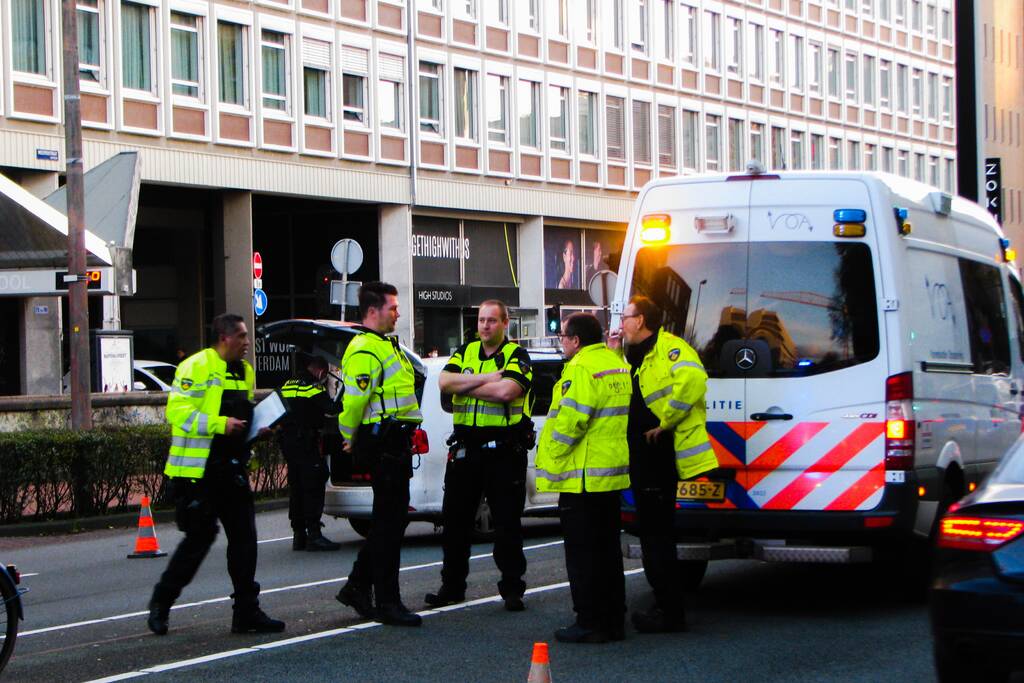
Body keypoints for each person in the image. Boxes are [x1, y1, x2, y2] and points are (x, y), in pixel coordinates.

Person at [147, 313, 284, 636]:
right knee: (198, 541)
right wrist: (220, 424)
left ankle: (246, 612)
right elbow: (177, 411)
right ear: (224, 338)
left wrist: (256, 430)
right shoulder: (196, 366)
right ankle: (161, 604)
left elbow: (241, 416)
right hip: (197, 473)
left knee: (245, 541)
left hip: (231, 469)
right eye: (242, 336)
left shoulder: (244, 371)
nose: (247, 342)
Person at [615, 296, 718, 633]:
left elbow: (694, 380)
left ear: (641, 319)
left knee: (657, 537)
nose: (621, 323)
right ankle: (667, 607)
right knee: (652, 535)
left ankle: (669, 611)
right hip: (643, 459)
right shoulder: (633, 353)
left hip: (658, 456)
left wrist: (666, 421)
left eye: (625, 317)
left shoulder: (669, 347)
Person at [424, 300, 533, 612]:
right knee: (455, 523)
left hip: (503, 452)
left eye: (492, 321)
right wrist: (488, 379)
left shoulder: (516, 355)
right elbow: (444, 382)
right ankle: (452, 586)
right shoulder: (465, 351)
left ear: (504, 323)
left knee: (507, 524)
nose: (485, 326)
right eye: (482, 320)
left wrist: (465, 386)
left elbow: (507, 392)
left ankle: (512, 588)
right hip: (465, 451)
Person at [536, 313, 631, 643]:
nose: (562, 341)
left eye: (564, 336)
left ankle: (589, 621)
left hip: (583, 476)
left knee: (582, 555)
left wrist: (553, 454)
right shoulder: (616, 364)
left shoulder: (579, 368)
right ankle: (614, 619)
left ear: (576, 340)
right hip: (610, 475)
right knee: (608, 552)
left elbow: (572, 420)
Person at [334, 282, 424, 627]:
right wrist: (348, 438)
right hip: (382, 444)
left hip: (394, 443)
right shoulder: (365, 350)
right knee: (389, 526)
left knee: (391, 523)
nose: (398, 312)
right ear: (373, 311)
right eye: (393, 307)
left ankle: (357, 586)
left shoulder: (385, 346)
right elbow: (352, 402)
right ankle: (388, 602)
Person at [279, 355, 341, 552]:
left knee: (297, 486)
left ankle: (299, 534)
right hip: (306, 442)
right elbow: (331, 409)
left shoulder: (288, 383)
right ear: (320, 369)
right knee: (314, 483)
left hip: (288, 443)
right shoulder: (312, 386)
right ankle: (314, 533)